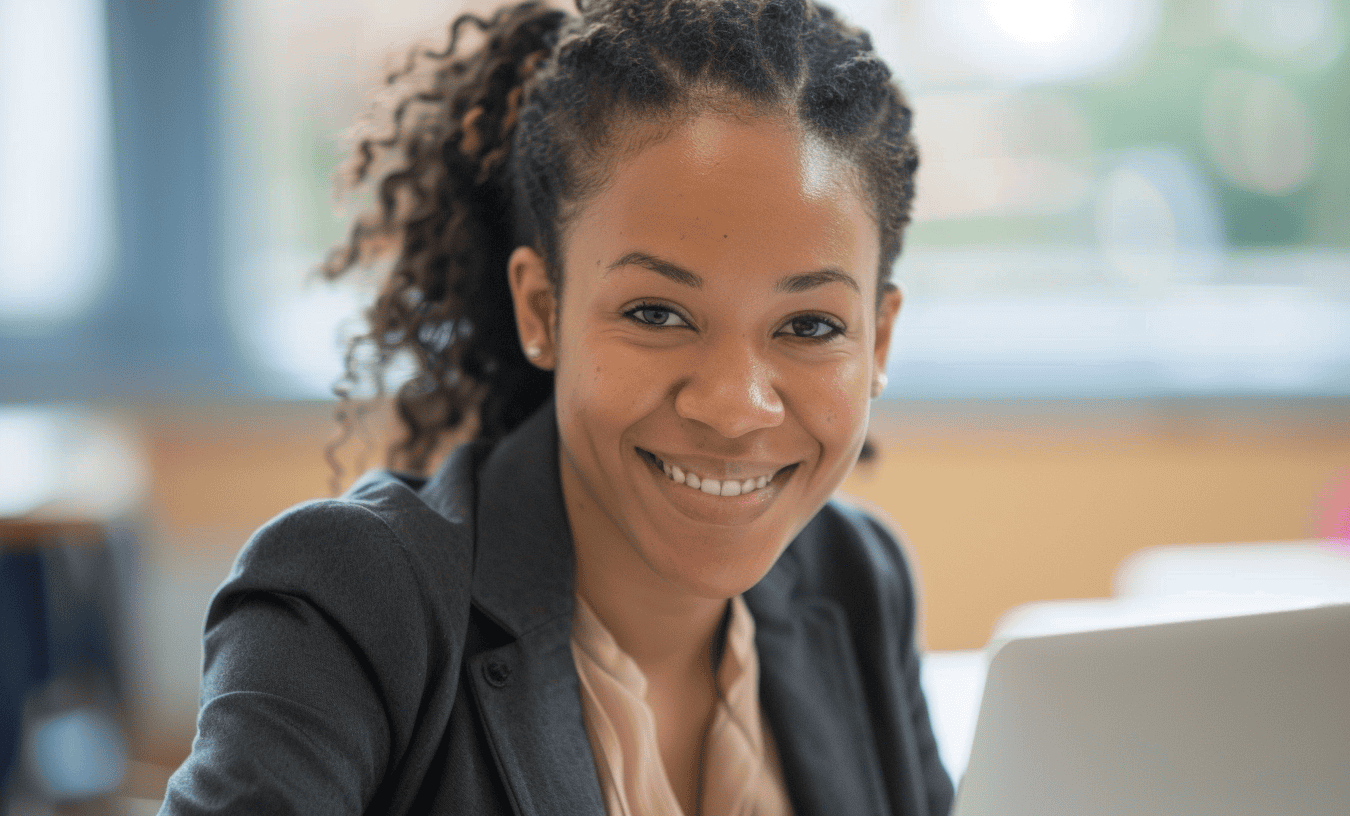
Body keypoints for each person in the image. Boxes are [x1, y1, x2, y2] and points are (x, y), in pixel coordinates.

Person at [161, 0, 951, 813]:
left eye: (811, 325)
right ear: (542, 309)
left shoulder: (858, 578)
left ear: (879, 342)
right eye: (657, 313)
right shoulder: (353, 603)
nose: (735, 407)